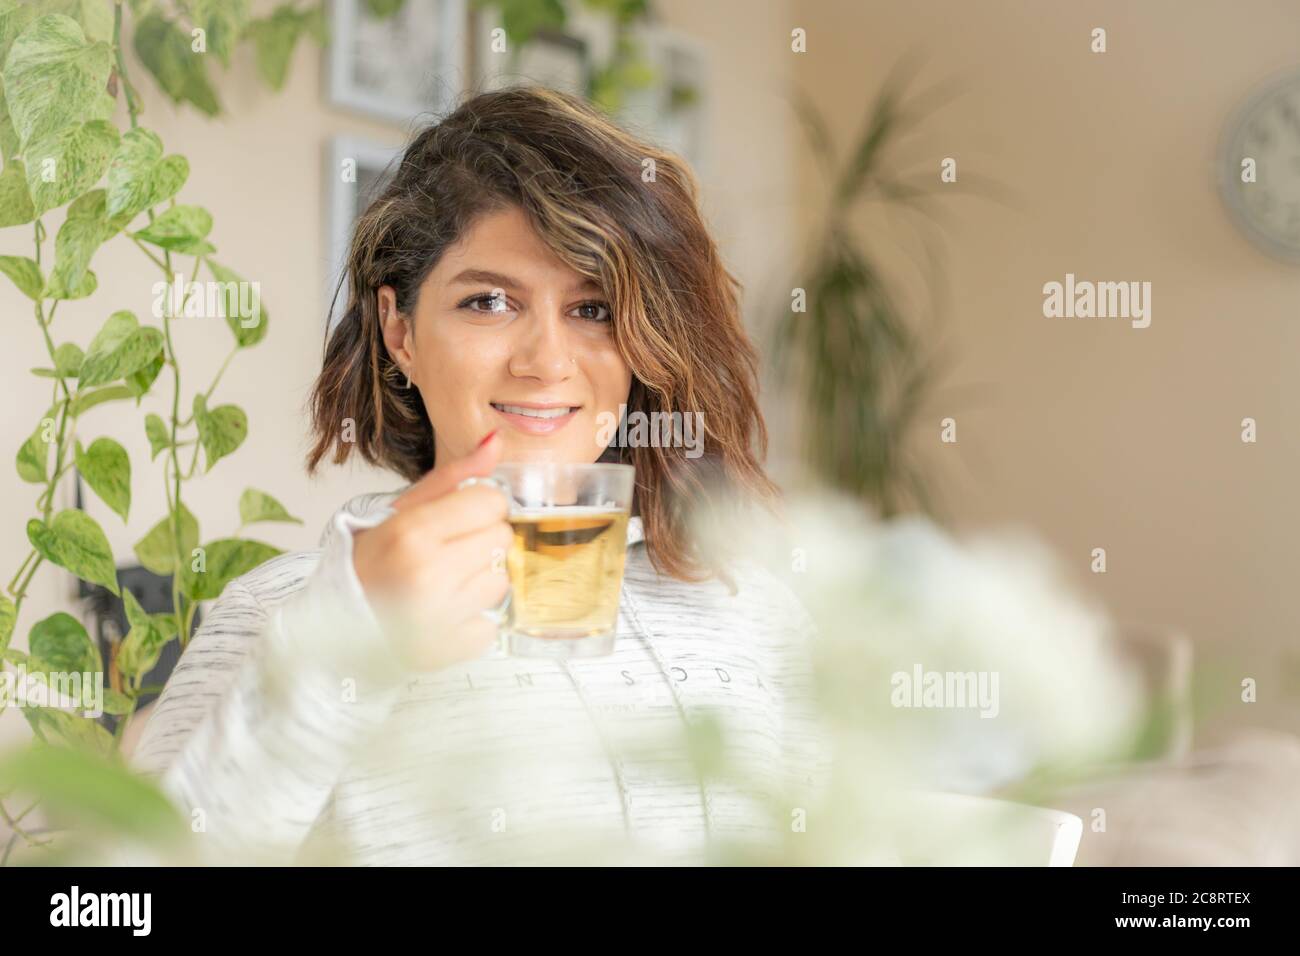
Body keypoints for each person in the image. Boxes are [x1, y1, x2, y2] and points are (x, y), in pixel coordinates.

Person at [130, 85, 830, 866]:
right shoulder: (281, 612)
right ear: (400, 331)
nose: (546, 362)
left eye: (593, 309)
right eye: (489, 301)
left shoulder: (749, 608)